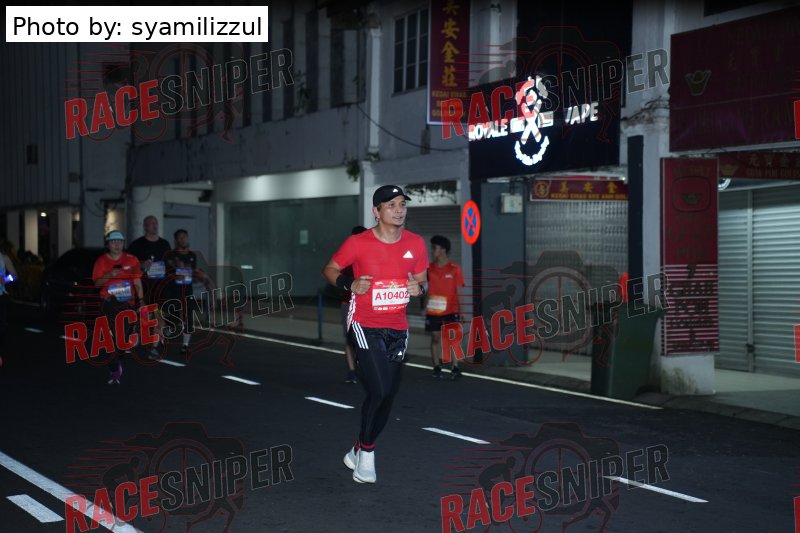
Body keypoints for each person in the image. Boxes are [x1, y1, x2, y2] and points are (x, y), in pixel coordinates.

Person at [322, 185, 429, 484]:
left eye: (402, 204)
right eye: (391, 205)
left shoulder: (416, 243)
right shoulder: (358, 243)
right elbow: (329, 269)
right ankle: (367, 454)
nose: (399, 210)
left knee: (388, 395)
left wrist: (419, 288)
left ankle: (358, 448)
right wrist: (350, 284)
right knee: (379, 390)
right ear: (376, 211)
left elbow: (423, 281)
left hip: (398, 327)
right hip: (365, 323)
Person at [91, 230, 144, 384]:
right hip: (108, 303)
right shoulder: (101, 261)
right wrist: (109, 275)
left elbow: (137, 282)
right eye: (113, 242)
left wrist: (141, 300)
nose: (117, 244)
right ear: (108, 244)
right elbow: (96, 284)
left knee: (122, 339)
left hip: (127, 303)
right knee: (111, 337)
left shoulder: (132, 260)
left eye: (119, 242)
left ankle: (118, 357)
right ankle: (114, 368)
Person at [126, 216, 172, 360]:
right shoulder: (137, 245)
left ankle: (154, 349)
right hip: (143, 289)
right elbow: (127, 265)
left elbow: (169, 264)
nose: (154, 225)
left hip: (160, 289)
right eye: (151, 223)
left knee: (159, 318)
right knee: (144, 319)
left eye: (155, 223)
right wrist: (141, 264)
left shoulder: (164, 244)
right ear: (145, 226)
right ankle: (136, 335)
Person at [425, 235, 465, 380]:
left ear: (443, 250)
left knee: (452, 339)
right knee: (435, 337)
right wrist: (424, 306)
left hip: (451, 310)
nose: (432, 251)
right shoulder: (428, 269)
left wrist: (461, 311)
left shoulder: (455, 269)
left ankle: (455, 367)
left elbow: (459, 291)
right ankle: (437, 366)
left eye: (434, 248)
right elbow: (425, 290)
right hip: (433, 310)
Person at [164, 229, 200, 357]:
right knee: (173, 319)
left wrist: (195, 274)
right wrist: (178, 269)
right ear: (176, 240)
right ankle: (166, 332)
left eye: (184, 237)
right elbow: (169, 272)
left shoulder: (192, 255)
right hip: (173, 291)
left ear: (188, 238)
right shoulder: (170, 255)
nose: (183, 239)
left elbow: (192, 272)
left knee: (188, 318)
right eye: (180, 237)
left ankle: (185, 345)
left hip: (188, 291)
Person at [341, 225, 367, 384]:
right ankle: (352, 370)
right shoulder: (346, 258)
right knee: (350, 338)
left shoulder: (372, 257)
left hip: (367, 304)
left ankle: (362, 368)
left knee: (365, 338)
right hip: (348, 303)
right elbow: (336, 276)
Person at [0, 246, 19, 368]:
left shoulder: (4, 258)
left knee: (1, 328)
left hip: (1, 297)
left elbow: (14, 275)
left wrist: (5, 279)